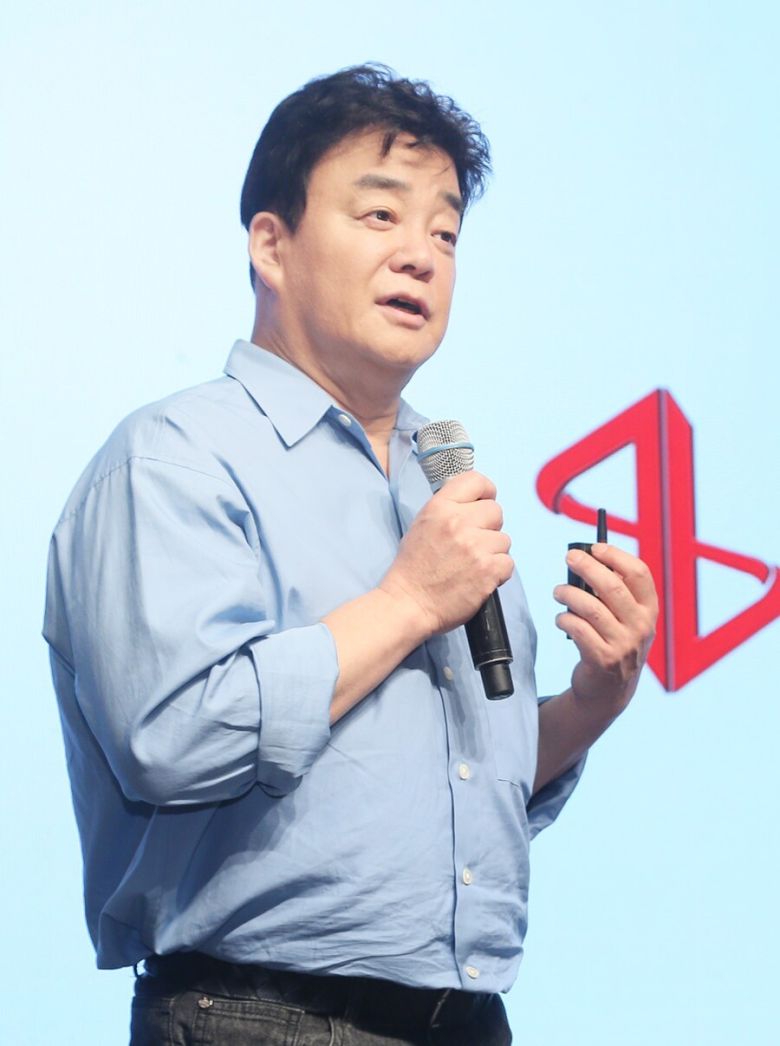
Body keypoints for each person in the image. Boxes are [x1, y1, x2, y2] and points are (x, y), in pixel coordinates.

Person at [44, 65, 658, 1046]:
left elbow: (459, 775)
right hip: (258, 1015)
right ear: (271, 245)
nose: (420, 255)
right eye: (380, 215)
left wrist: (593, 701)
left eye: (446, 234)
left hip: (465, 1017)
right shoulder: (175, 458)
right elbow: (172, 739)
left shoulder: (442, 482)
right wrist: (407, 602)